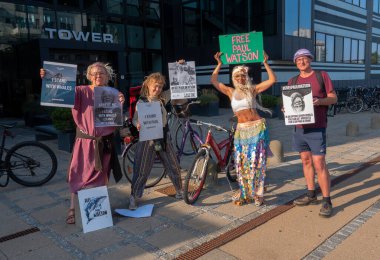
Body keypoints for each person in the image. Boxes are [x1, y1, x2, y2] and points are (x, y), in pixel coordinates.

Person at [40, 62, 125, 224]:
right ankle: (72, 207)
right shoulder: (80, 91)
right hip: (85, 142)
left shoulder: (113, 93)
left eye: (101, 73)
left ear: (108, 76)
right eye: (94, 73)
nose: (97, 76)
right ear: (88, 76)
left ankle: (99, 210)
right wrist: (48, 79)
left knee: (102, 176)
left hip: (104, 143)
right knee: (78, 174)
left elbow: (116, 118)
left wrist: (121, 101)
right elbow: (58, 92)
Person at [211, 51, 277, 206]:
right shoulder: (230, 91)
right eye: (237, 76)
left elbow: (273, 80)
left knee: (257, 163)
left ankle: (258, 194)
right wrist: (219, 64)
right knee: (242, 164)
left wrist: (265, 62)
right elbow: (214, 80)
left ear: (246, 77)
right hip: (241, 130)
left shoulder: (252, 89)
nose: (240, 78)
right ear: (233, 78)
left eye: (242, 76)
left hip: (256, 127)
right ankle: (246, 191)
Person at [288, 48, 337, 217]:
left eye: (305, 58)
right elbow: (290, 103)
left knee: (319, 163)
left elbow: (334, 98)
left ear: (310, 59)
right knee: (306, 161)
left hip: (317, 127)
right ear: (295, 63)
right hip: (299, 128)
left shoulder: (321, 76)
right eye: (298, 59)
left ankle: (327, 200)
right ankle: (311, 194)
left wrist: (320, 101)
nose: (302, 61)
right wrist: (286, 109)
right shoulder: (292, 81)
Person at [129, 72, 184, 209]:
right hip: (147, 138)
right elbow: (135, 118)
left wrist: (179, 68)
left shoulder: (163, 99)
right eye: (155, 86)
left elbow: (177, 86)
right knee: (142, 168)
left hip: (163, 137)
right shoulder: (141, 102)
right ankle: (134, 197)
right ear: (148, 85)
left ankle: (179, 189)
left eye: (160, 86)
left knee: (173, 164)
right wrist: (137, 124)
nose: (157, 89)